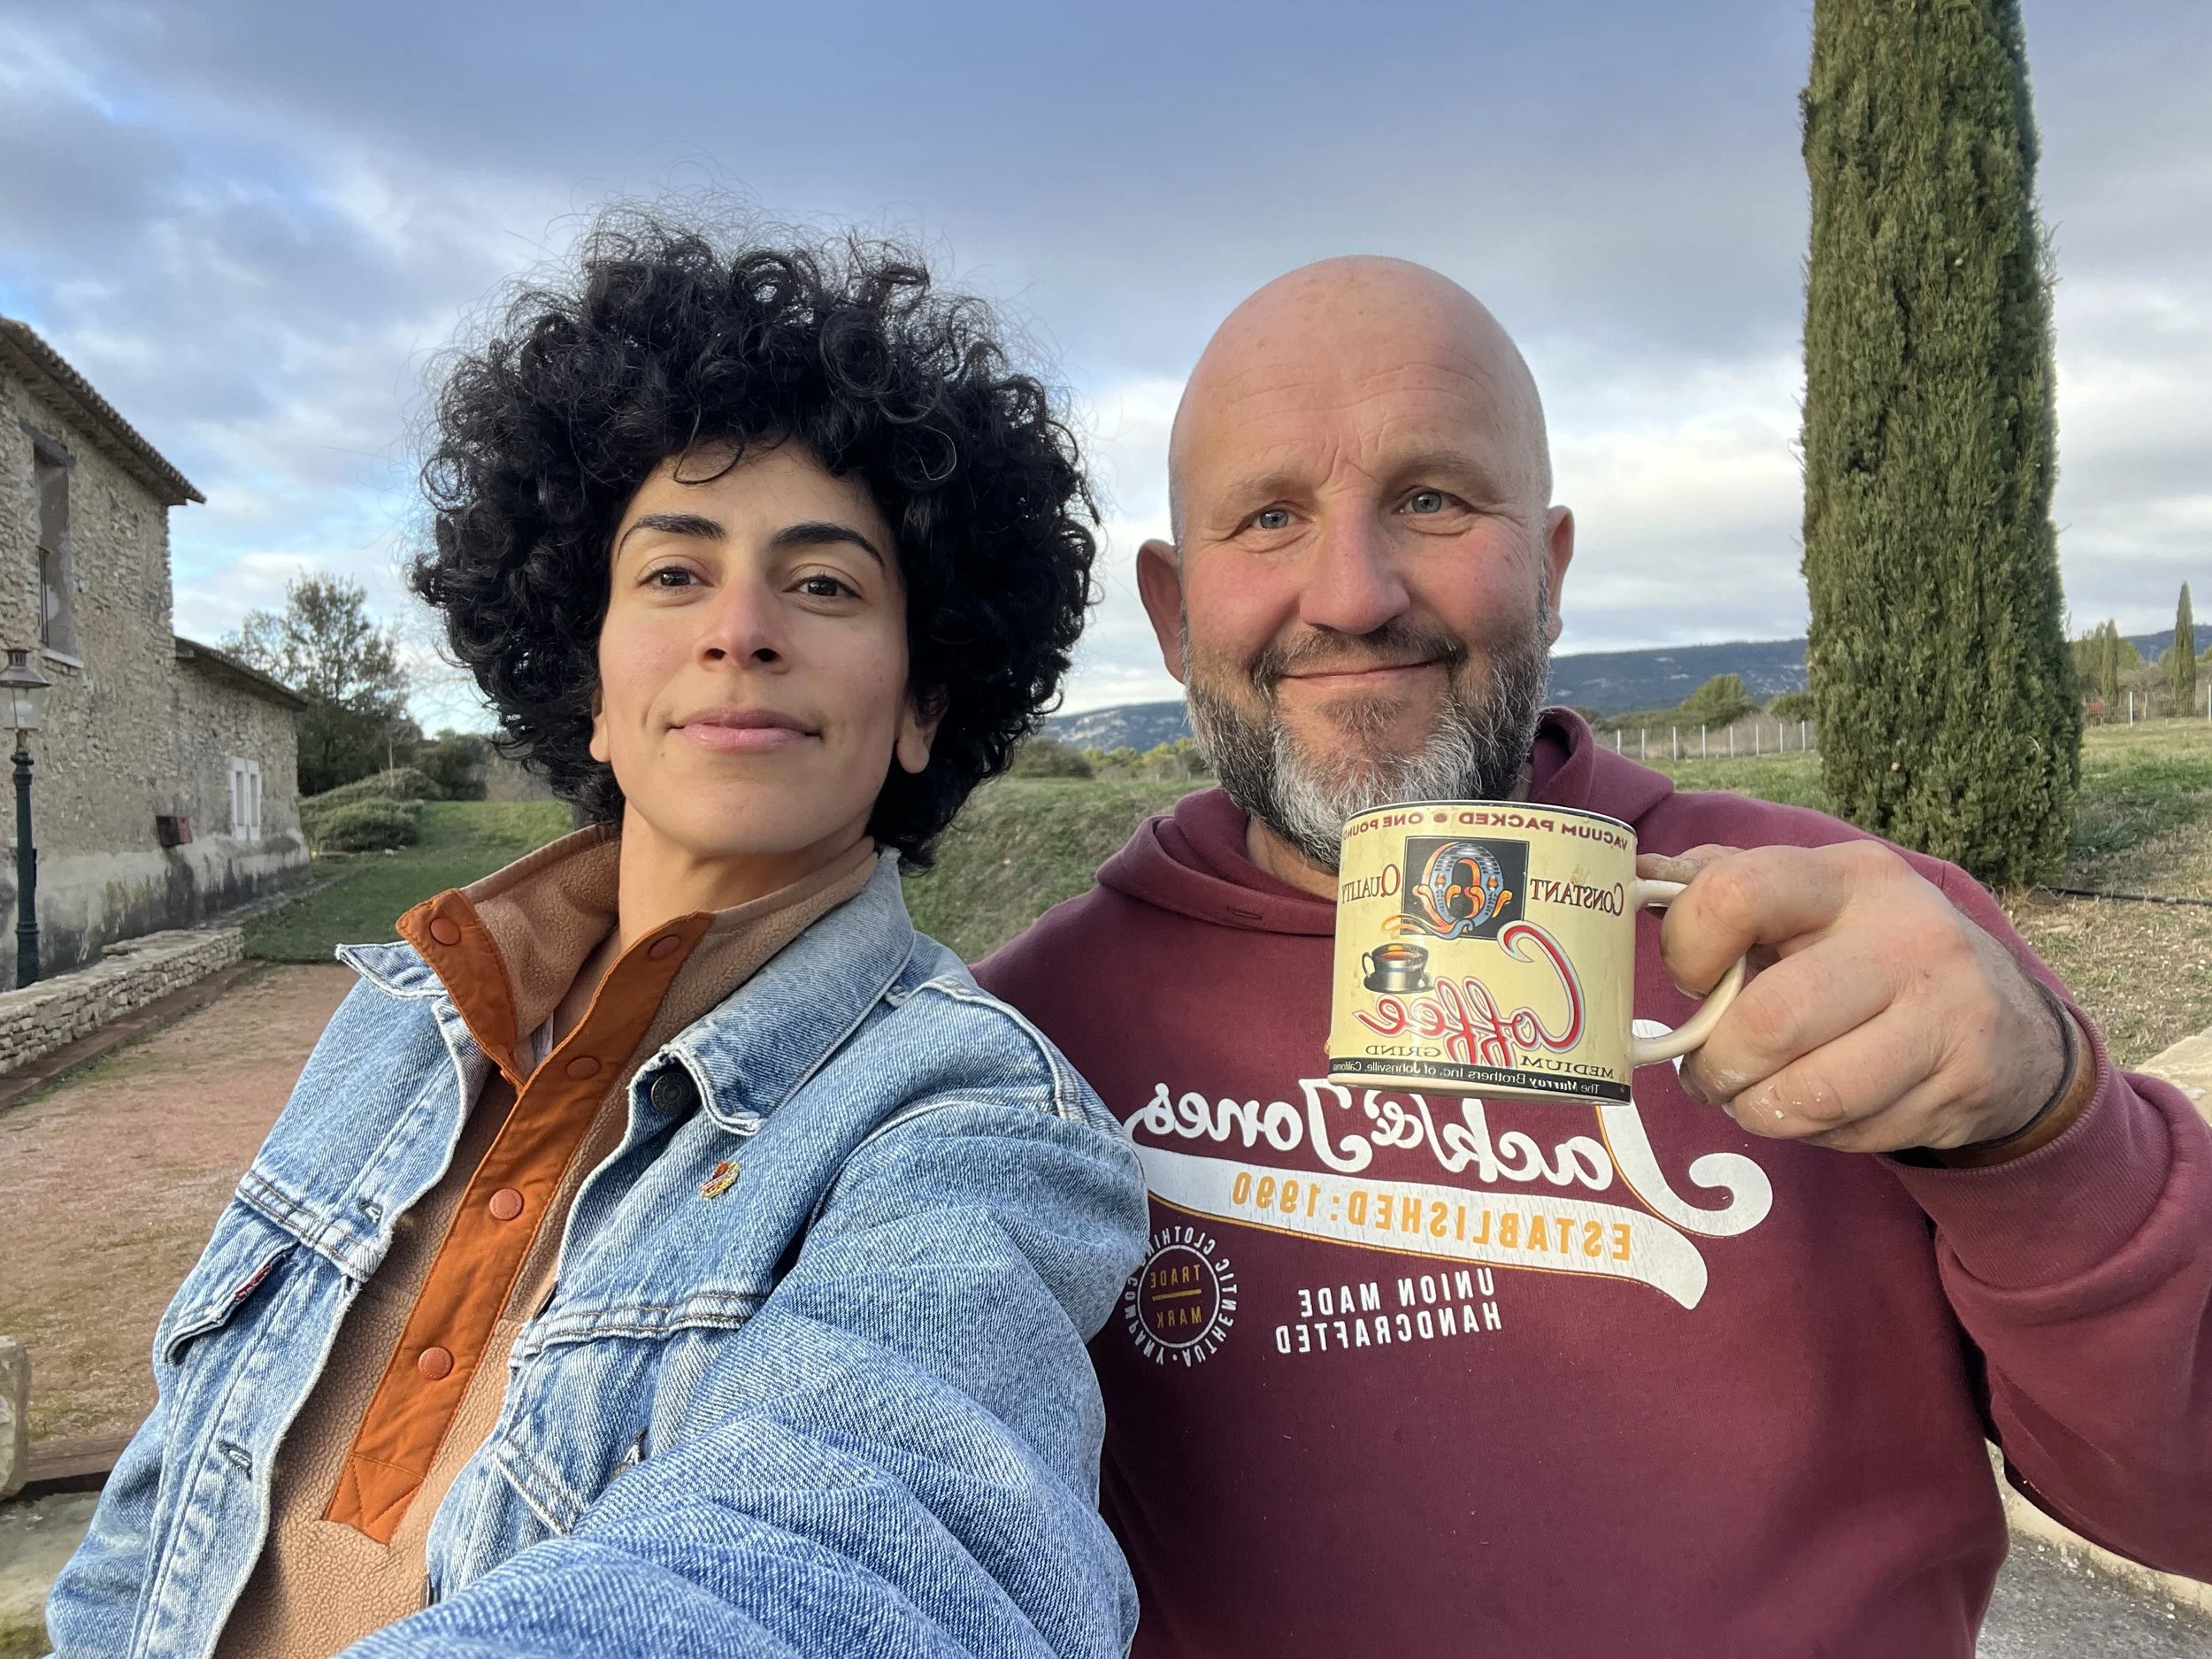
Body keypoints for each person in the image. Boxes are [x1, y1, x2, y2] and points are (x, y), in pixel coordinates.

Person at [976, 256, 2212, 1655]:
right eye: (1269, 517)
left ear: (1552, 569)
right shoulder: (1021, 1046)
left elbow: (2187, 1498)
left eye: (1433, 499)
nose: (1354, 592)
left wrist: (2043, 1125)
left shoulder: (1857, 933)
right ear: (1172, 609)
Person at [49, 216, 1149, 1659]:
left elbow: (876, 1548)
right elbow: (146, 1535)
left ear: (922, 704)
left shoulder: (972, 1122)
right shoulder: (395, 1023)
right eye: (675, 574)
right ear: (592, 686)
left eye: (825, 583)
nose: (741, 627)